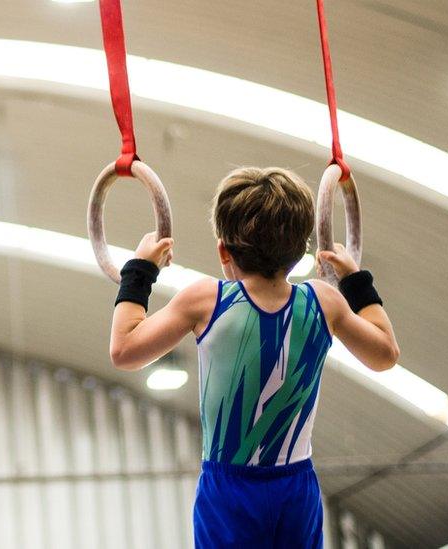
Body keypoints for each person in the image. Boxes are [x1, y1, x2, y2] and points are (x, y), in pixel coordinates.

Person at [108, 167, 399, 548]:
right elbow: (385, 355)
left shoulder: (208, 300)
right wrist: (355, 281)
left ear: (223, 250)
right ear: (302, 251)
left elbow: (124, 349)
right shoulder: (323, 302)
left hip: (229, 492)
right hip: (296, 490)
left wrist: (140, 270)